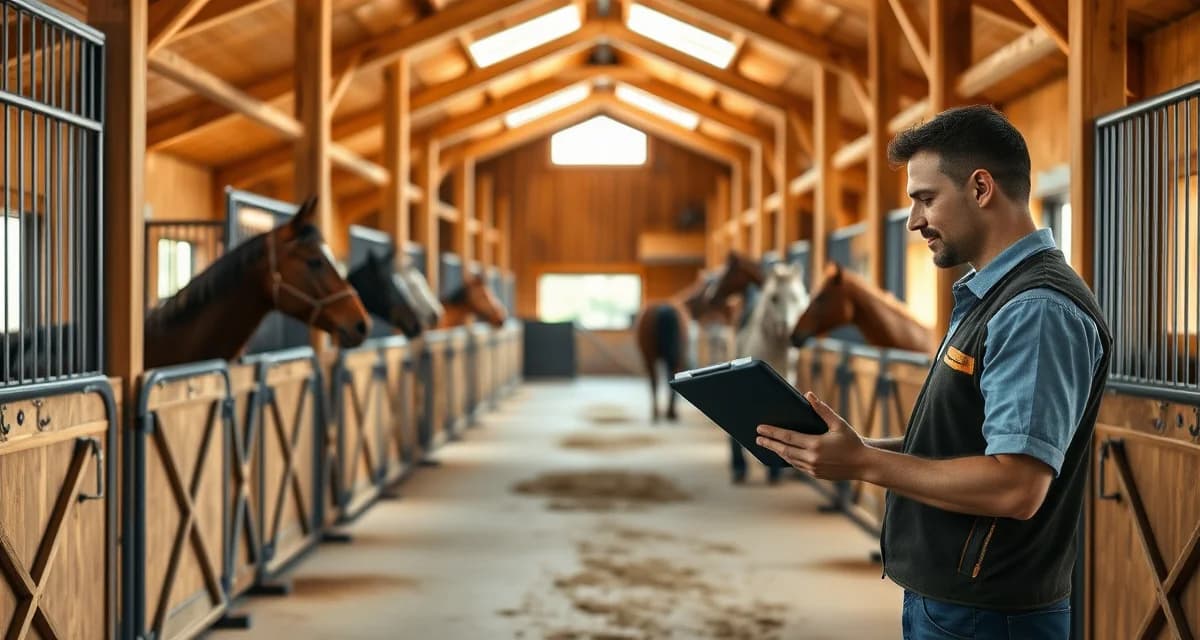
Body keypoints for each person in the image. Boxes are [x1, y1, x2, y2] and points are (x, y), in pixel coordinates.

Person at [755, 105, 1111, 639]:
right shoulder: (990, 296)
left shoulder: (1034, 309)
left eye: (925, 199)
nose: (917, 220)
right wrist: (861, 448)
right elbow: (963, 442)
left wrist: (866, 464)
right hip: (958, 601)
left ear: (981, 188)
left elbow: (1016, 486)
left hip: (989, 614)